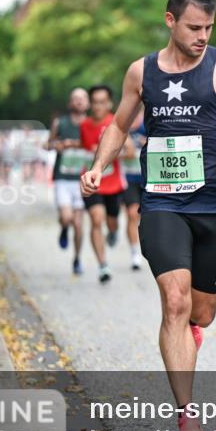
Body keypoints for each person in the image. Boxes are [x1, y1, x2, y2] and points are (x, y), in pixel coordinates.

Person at [80, 0, 216, 431]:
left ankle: (187, 343)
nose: (202, 36)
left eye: (208, 27)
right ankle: (188, 418)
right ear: (170, 21)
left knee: (201, 313)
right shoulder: (141, 73)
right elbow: (119, 125)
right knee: (174, 301)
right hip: (163, 203)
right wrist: (99, 166)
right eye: (193, 27)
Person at [80, 84, 127, 284]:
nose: (98, 106)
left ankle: (114, 231)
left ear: (109, 103)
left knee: (111, 222)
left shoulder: (116, 123)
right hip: (92, 182)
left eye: (102, 102)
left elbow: (130, 151)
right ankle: (102, 265)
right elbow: (80, 149)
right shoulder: (84, 126)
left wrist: (109, 153)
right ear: (90, 104)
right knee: (96, 219)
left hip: (113, 184)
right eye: (95, 102)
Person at [48, 88, 90, 274]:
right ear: (70, 103)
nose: (79, 102)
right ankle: (64, 228)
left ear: (88, 103)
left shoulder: (91, 124)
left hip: (82, 179)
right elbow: (47, 144)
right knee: (67, 217)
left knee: (79, 223)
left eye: (82, 99)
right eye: (75, 99)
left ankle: (77, 259)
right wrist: (57, 145)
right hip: (62, 178)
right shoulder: (60, 123)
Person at [121, 108, 147, 270]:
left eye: (137, 115)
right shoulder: (122, 128)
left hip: (148, 179)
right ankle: (134, 253)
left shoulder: (148, 127)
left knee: (148, 217)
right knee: (132, 214)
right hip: (128, 178)